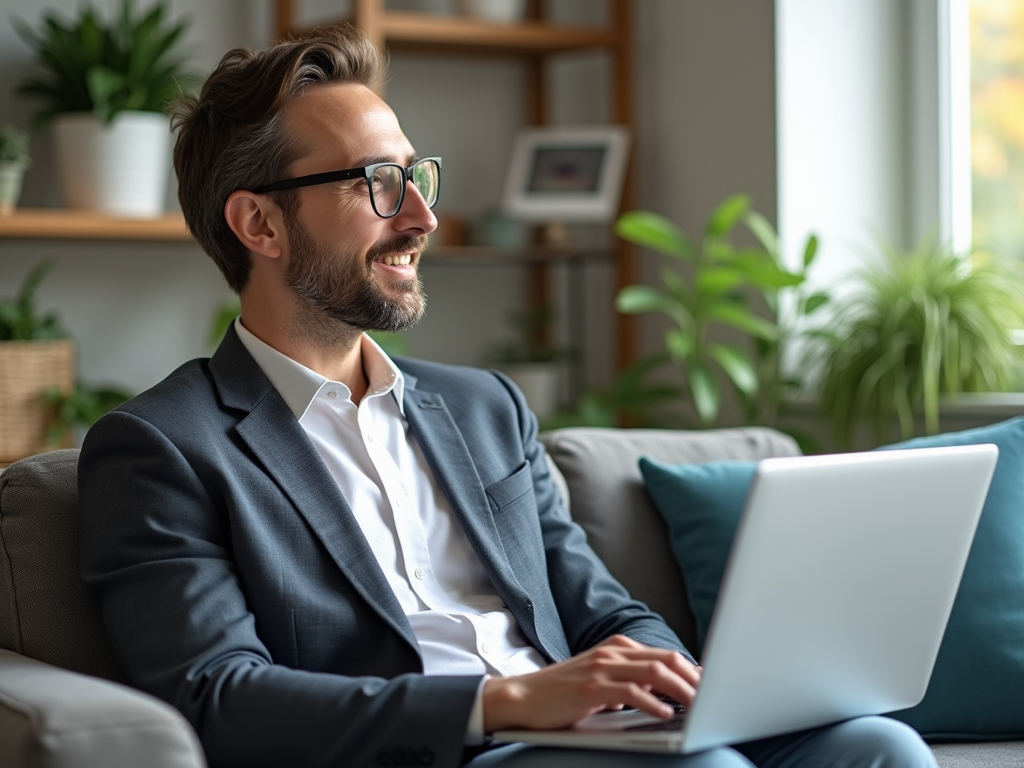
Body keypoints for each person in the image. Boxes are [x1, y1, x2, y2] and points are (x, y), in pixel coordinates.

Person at [77, 26, 937, 768]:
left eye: (417, 176)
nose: (421, 216)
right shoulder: (162, 447)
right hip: (452, 748)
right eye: (375, 182)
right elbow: (219, 697)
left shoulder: (487, 408)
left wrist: (668, 683)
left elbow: (604, 609)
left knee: (876, 747)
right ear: (259, 225)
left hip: (600, 740)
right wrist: (510, 702)